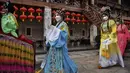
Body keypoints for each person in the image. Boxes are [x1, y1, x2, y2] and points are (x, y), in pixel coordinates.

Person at [36, 8, 78, 73]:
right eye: (55, 15)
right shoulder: (57, 24)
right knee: (52, 58)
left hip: (59, 45)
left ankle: (60, 70)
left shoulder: (64, 24)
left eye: (58, 15)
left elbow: (65, 34)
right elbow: (55, 33)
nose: (56, 17)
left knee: (61, 59)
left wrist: (56, 31)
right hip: (54, 44)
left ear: (62, 17)